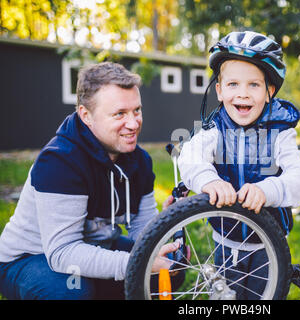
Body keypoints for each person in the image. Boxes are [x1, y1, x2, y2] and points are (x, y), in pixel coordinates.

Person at [0, 62, 179, 300]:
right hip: (30, 258)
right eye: (119, 114)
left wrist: (165, 224)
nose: (134, 123)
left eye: (137, 110)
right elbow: (62, 253)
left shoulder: (140, 160)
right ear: (86, 115)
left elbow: (142, 231)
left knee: (169, 267)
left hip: (96, 246)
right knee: (73, 291)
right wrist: (135, 263)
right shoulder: (59, 161)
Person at [177, 31, 300, 299]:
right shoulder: (215, 131)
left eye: (254, 85)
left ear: (269, 91)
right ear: (219, 90)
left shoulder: (279, 133)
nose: (243, 94)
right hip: (224, 244)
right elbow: (190, 155)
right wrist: (209, 180)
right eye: (233, 85)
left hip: (269, 246)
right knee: (227, 299)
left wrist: (269, 189)